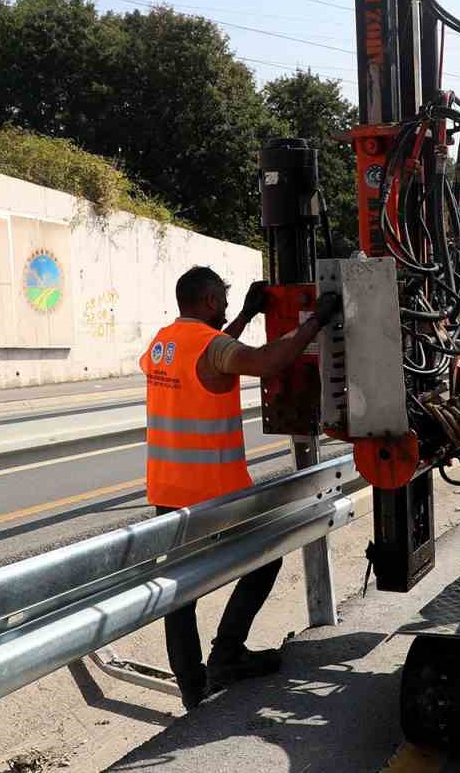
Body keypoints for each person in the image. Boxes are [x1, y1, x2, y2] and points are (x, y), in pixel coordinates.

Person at [140, 265, 342, 707]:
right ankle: (226, 654)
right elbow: (269, 361)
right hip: (211, 494)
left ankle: (194, 692)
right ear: (210, 301)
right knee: (265, 557)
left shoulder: (163, 343)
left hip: (167, 489)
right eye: (226, 303)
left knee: (180, 595)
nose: (228, 309)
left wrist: (248, 315)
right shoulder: (211, 346)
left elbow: (212, 357)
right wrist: (318, 320)